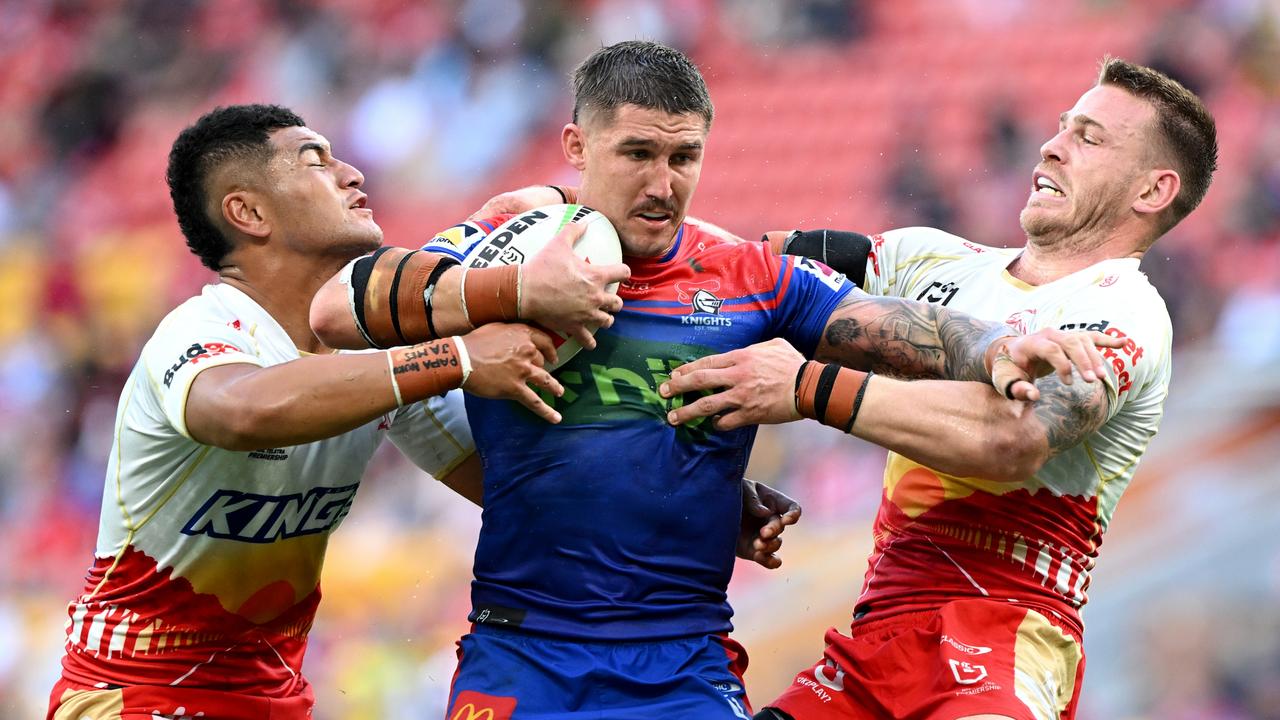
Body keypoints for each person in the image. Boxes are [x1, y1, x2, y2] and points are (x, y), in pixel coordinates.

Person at [309, 41, 1120, 719]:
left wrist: (990, 347)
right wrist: (515, 295)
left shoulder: (748, 277)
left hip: (684, 668)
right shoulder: (510, 244)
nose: (663, 184)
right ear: (576, 147)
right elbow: (338, 312)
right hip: (519, 653)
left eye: (683, 156)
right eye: (637, 154)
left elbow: (895, 329)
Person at [660, 58, 1218, 720]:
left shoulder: (1125, 311)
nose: (1052, 144)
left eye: (1090, 137)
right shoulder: (924, 259)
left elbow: (1012, 438)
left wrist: (807, 387)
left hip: (1004, 639)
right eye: (1064, 125)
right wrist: (577, 215)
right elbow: (729, 270)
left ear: (1151, 192)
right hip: (873, 643)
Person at [45, 103, 631, 720]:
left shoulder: (377, 352)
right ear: (248, 212)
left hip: (275, 701)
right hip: (131, 695)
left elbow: (518, 492)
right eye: (316, 161)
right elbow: (242, 409)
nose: (353, 173)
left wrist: (724, 515)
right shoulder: (198, 330)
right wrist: (456, 356)